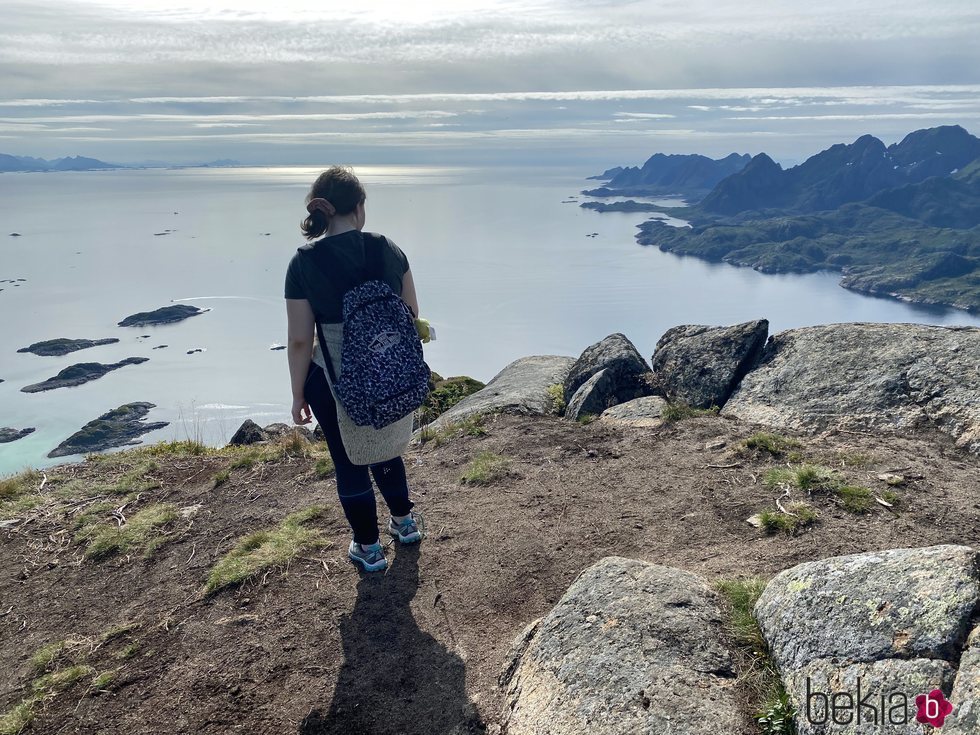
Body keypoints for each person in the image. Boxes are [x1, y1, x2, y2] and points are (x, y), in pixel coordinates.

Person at [284, 166, 422, 573]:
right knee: (385, 448)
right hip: (390, 370)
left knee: (348, 461)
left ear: (322, 213)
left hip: (334, 378)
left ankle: (369, 548)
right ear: (359, 209)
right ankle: (405, 523)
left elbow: (298, 340)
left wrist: (297, 393)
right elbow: (411, 313)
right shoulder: (387, 248)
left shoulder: (304, 263)